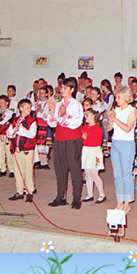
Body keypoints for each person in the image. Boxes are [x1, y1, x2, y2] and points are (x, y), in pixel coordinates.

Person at [47, 77, 84, 209]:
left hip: (72, 140)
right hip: (59, 140)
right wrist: (52, 111)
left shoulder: (76, 105)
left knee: (74, 169)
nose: (62, 90)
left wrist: (63, 115)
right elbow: (52, 122)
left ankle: (76, 198)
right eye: (61, 87)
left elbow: (76, 123)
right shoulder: (58, 104)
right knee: (59, 169)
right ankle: (60, 196)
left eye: (65, 88)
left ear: (72, 89)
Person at [106, 87, 137, 213]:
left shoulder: (132, 111)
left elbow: (127, 128)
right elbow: (109, 129)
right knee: (117, 174)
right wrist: (110, 120)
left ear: (125, 97)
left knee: (126, 174)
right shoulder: (116, 110)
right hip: (115, 142)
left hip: (127, 144)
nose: (117, 100)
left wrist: (114, 119)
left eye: (118, 97)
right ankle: (119, 200)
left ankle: (127, 202)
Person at [8, 99, 37, 202]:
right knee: (18, 170)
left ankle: (29, 192)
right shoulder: (15, 120)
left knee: (28, 170)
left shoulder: (32, 121)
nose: (29, 109)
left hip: (27, 149)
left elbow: (32, 134)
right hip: (17, 149)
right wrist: (13, 129)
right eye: (27, 107)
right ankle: (19, 191)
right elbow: (9, 133)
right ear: (21, 108)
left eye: (30, 107)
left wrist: (20, 129)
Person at [81, 109, 106, 203]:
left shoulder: (97, 128)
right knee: (87, 173)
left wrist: (87, 138)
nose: (85, 117)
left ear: (93, 116)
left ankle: (102, 194)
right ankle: (89, 194)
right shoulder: (85, 127)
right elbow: (83, 139)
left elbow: (97, 142)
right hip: (86, 151)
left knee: (95, 174)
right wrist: (85, 139)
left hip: (94, 152)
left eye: (87, 115)